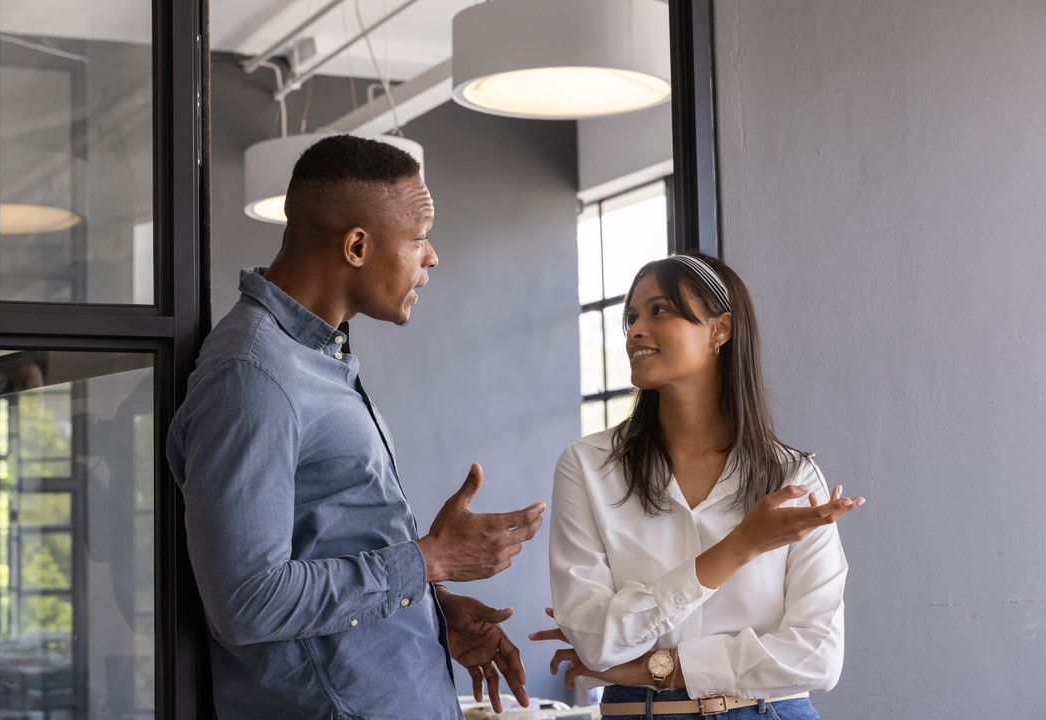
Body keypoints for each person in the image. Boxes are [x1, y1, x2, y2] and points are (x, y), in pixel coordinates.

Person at [167, 135, 545, 719]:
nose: (432, 257)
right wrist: (428, 561)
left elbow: (329, 541)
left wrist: (428, 602)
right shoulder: (253, 376)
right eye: (418, 238)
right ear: (357, 246)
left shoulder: (314, 360)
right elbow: (246, 601)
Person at [532, 254, 864, 719]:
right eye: (631, 318)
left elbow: (818, 657)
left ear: (720, 330)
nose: (634, 331)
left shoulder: (791, 475)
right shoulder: (587, 467)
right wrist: (740, 547)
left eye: (659, 310)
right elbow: (595, 641)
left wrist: (656, 667)